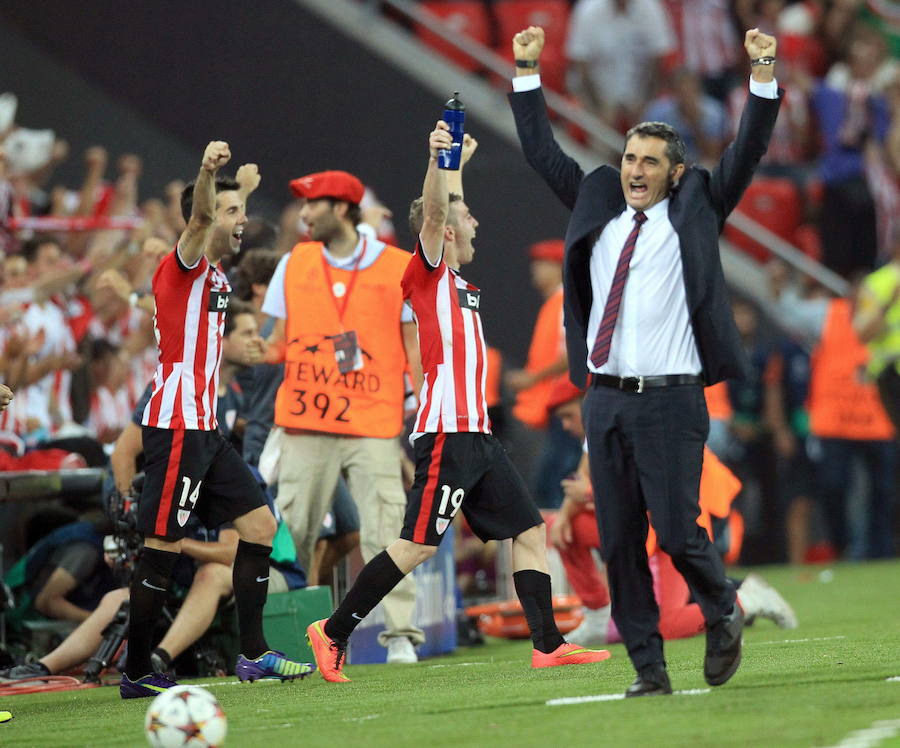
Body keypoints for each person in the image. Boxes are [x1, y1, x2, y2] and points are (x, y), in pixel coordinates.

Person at [508, 25, 782, 696]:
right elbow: (544, 153)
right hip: (603, 398)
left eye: (650, 162)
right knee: (621, 541)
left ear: (675, 172)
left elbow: (746, 150)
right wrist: (524, 73)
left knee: (677, 530)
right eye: (631, 158)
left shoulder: (698, 208)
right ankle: (649, 672)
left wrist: (763, 77)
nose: (635, 170)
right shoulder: (598, 203)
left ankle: (723, 607)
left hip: (671, 397)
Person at [304, 121, 612, 683]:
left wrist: (457, 166)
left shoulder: (459, 283)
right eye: (465, 215)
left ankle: (548, 644)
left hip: (478, 435)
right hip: (447, 433)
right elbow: (438, 213)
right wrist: (441, 162)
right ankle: (332, 631)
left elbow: (445, 210)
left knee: (528, 530)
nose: (476, 222)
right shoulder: (427, 273)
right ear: (444, 231)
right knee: (417, 546)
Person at [121, 142, 311, 699]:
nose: (242, 221)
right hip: (177, 424)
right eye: (233, 213)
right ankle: (136, 670)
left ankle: (252, 655)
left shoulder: (212, 273)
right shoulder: (182, 264)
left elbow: (216, 218)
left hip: (205, 428)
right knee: (162, 545)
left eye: (241, 212)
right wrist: (209, 175)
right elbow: (204, 216)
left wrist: (240, 192)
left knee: (259, 528)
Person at [263, 169, 425, 663]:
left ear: (342, 209)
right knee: (293, 527)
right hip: (307, 418)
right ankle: (279, 636)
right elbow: (276, 339)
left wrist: (419, 400)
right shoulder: (294, 262)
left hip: (372, 420)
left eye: (313, 205)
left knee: (385, 525)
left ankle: (400, 634)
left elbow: (412, 344)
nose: (303, 214)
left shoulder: (397, 265)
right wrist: (254, 350)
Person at [546, 378, 797, 646]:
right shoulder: (602, 424)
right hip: (651, 521)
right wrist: (565, 514)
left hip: (686, 516)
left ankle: (747, 600)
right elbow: (590, 476)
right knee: (565, 527)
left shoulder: (632, 417)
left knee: (667, 624)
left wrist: (588, 495)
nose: (565, 425)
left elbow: (652, 490)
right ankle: (598, 614)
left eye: (568, 416)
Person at [505, 239, 581, 508]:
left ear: (557, 267)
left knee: (557, 480)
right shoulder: (555, 302)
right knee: (551, 480)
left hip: (567, 403)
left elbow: (574, 352)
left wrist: (532, 378)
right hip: (555, 404)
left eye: (542, 264)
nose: (535, 270)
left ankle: (560, 544)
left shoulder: (565, 302)